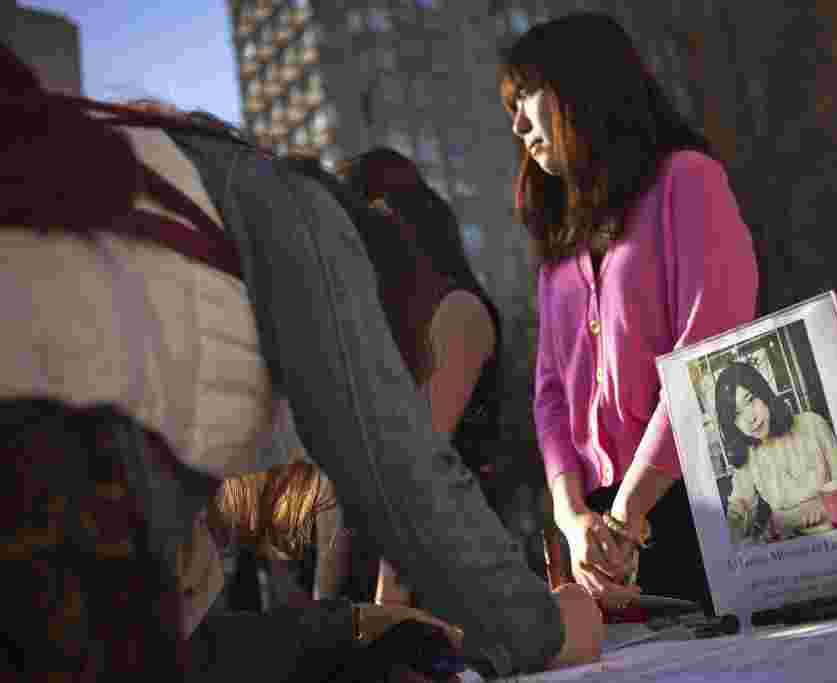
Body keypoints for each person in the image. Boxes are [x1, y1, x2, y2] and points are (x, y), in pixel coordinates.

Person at [0, 43, 601, 680]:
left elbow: (193, 651)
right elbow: (396, 471)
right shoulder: (300, 218)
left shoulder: (144, 188)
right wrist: (544, 630)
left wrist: (350, 626)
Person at [498, 13, 759, 612]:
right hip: (604, 544)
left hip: (703, 511)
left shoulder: (687, 183)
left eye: (526, 97)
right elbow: (549, 397)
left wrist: (629, 510)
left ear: (580, 90)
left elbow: (708, 356)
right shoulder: (557, 253)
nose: (516, 124)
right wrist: (571, 516)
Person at [327, 148, 503, 607]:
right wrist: (323, 609)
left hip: (445, 586)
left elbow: (416, 478)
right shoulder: (373, 327)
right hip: (369, 595)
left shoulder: (456, 313)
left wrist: (389, 616)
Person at [714, 362, 837, 544]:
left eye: (750, 400)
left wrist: (784, 519)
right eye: (737, 414)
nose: (750, 418)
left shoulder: (813, 425)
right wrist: (733, 528)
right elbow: (740, 505)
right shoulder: (748, 453)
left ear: (763, 394)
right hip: (789, 550)